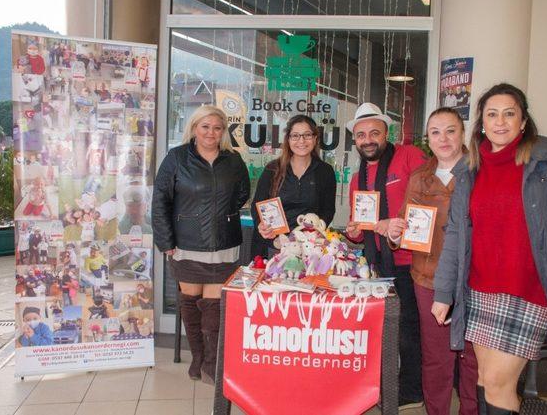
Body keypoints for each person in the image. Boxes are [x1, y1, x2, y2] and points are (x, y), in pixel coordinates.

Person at [431, 83, 547, 414]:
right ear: (481, 122)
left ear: (523, 121)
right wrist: (444, 292)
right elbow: (456, 234)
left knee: (499, 382)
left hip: (529, 290)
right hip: (480, 290)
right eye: (492, 114)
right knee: (484, 378)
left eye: (509, 114)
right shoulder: (470, 170)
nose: (500, 122)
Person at [387, 108, 478, 415]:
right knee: (436, 356)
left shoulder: (481, 173)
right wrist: (395, 234)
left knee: (471, 358)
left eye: (450, 130)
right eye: (436, 132)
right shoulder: (419, 177)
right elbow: (404, 223)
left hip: (474, 279)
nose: (444, 138)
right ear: (428, 138)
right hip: (427, 277)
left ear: (462, 133)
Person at [152, 105, 250, 384]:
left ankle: (210, 362)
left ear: (223, 132)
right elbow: (160, 201)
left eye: (217, 128)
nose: (211, 133)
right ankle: (198, 357)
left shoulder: (234, 160)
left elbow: (243, 194)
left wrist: (222, 214)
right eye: (205, 127)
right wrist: (166, 240)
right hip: (186, 244)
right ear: (194, 128)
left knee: (214, 307)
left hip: (224, 244)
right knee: (191, 304)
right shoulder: (176, 158)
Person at [344, 102, 426, 408]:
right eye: (361, 135)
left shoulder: (409, 157)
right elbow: (358, 231)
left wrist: (398, 224)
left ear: (386, 133)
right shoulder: (357, 179)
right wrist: (353, 230)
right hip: (376, 266)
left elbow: (428, 200)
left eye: (374, 133)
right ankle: (384, 385)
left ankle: (412, 392)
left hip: (410, 262)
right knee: (380, 329)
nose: (368, 140)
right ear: (355, 140)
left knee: (408, 329)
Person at [250, 114, 336, 258]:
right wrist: (262, 226)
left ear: (315, 138)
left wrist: (314, 231)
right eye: (295, 135)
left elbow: (328, 210)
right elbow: (257, 206)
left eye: (307, 135)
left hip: (309, 248)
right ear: (288, 140)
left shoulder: (325, 171)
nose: (301, 141)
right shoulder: (273, 169)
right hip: (274, 247)